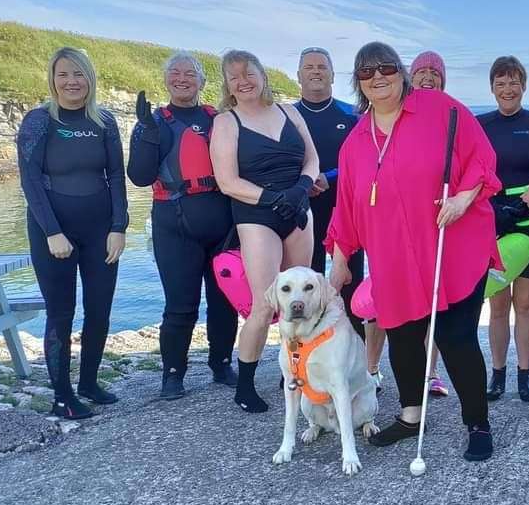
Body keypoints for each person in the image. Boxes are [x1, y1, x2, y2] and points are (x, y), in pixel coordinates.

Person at [326, 42, 500, 462]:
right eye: (366, 72)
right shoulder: (355, 144)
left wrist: (462, 198)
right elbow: (347, 205)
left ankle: (477, 421)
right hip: (394, 255)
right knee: (402, 335)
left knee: (455, 336)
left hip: (451, 244)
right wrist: (340, 259)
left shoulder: (441, 109)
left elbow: (482, 158)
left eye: (386, 67)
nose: (377, 76)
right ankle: (410, 417)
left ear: (401, 72)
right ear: (358, 83)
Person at [17, 47, 128, 420]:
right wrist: (52, 231)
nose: (72, 82)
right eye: (64, 74)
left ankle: (89, 383)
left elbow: (115, 176)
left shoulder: (105, 121)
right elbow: (30, 180)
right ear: (53, 79)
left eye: (78, 74)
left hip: (100, 229)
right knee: (61, 313)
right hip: (53, 230)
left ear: (90, 78)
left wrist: (119, 227)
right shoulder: (38, 121)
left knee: (99, 311)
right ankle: (62, 397)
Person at [210, 49, 320, 413]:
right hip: (257, 215)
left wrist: (301, 189)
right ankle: (245, 384)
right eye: (234, 76)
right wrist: (274, 198)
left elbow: (312, 158)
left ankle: (295, 370)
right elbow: (227, 182)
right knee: (263, 305)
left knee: (299, 302)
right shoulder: (227, 122)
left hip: (298, 208)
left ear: (263, 75)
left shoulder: (290, 111)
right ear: (227, 84)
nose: (243, 81)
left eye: (249, 72)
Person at [127, 52, 238, 400]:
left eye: (190, 73)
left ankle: (221, 363)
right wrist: (145, 132)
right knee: (180, 304)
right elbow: (140, 176)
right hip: (174, 222)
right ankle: (173, 374)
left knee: (224, 300)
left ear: (202, 82)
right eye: (175, 73)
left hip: (220, 219)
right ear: (166, 80)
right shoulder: (154, 121)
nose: (182, 78)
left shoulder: (218, 119)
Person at [360, 50, 454, 396]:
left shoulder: (449, 116)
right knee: (383, 302)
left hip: (436, 227)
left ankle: (430, 373)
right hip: (389, 229)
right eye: (422, 71)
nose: (428, 76)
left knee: (434, 303)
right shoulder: (389, 117)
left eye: (435, 72)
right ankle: (370, 369)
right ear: (408, 78)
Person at [479, 56, 529, 403]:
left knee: (524, 303)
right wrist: (492, 209)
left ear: (524, 86)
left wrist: (522, 204)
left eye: (514, 82)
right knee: (497, 304)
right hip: (490, 218)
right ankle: (497, 374)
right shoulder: (480, 124)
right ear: (492, 87)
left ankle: (525, 375)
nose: (507, 89)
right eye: (501, 82)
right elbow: (471, 170)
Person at [293, 46, 364, 333]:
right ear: (298, 76)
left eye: (322, 66)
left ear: (333, 75)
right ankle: (304, 358)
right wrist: (304, 180)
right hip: (302, 212)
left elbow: (366, 159)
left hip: (345, 212)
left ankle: (355, 356)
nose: (316, 72)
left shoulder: (353, 114)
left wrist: (329, 177)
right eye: (308, 67)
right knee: (304, 286)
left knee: (350, 284)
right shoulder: (287, 117)